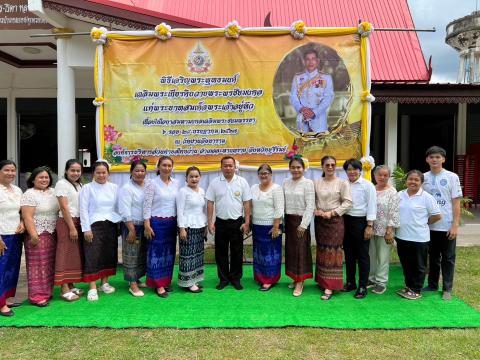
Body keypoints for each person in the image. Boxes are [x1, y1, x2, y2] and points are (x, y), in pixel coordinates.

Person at [422, 146, 463, 301]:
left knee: (448, 257)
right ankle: (432, 285)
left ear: (443, 159)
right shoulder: (423, 177)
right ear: (427, 159)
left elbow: (456, 203)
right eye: (431, 157)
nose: (434, 159)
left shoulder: (452, 177)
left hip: (446, 225)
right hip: (428, 225)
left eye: (438, 157)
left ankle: (447, 288)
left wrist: (455, 225)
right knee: (432, 257)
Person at [206, 156, 252, 291]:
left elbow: (246, 203)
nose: (228, 168)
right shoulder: (215, 182)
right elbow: (210, 202)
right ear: (221, 167)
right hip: (220, 222)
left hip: (237, 223)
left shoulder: (242, 182)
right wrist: (210, 222)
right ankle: (223, 279)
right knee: (221, 252)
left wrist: (247, 222)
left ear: (234, 167)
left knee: (237, 251)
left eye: (230, 165)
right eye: (225, 165)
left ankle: (235, 279)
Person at [79, 160, 122, 301]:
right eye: (98, 172)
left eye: (104, 172)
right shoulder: (87, 188)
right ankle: (92, 287)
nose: (101, 175)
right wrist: (86, 229)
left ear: (108, 174)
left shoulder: (114, 187)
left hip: (110, 224)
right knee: (92, 255)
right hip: (93, 225)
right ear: (93, 174)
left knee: (108, 253)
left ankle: (104, 283)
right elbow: (83, 209)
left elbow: (117, 207)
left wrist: (119, 223)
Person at [396, 170, 441, 300]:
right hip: (402, 236)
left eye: (416, 180)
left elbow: (437, 215)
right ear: (406, 181)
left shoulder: (426, 197)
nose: (413, 182)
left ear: (421, 182)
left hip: (419, 238)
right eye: (410, 179)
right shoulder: (400, 195)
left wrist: (425, 222)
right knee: (406, 263)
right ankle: (409, 286)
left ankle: (416, 289)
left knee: (419, 265)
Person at [314, 156, 352, 300]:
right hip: (320, 222)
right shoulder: (316, 182)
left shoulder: (342, 183)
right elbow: (313, 200)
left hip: (335, 221)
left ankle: (330, 285)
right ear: (322, 166)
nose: (330, 167)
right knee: (322, 249)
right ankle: (322, 281)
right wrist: (316, 210)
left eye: (332, 165)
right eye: (327, 165)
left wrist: (332, 213)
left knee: (333, 251)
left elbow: (348, 202)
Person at [21, 166, 59, 306]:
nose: (44, 180)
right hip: (37, 234)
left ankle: (48, 292)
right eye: (40, 177)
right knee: (37, 266)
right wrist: (33, 235)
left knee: (49, 265)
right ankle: (37, 296)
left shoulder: (54, 192)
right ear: (33, 180)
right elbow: (27, 217)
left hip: (52, 233)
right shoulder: (29, 194)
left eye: (46, 177)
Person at [144, 156, 180, 298]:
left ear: (172, 167)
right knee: (156, 254)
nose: (166, 168)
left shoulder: (176, 183)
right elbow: (146, 204)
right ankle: (158, 285)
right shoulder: (151, 183)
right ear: (158, 167)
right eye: (163, 165)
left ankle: (165, 282)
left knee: (169, 253)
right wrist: (147, 224)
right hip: (156, 223)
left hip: (171, 222)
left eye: (169, 165)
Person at [342, 158, 377, 299]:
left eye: (354, 169)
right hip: (346, 221)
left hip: (361, 222)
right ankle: (351, 282)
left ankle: (363, 285)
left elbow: (372, 206)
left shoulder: (368, 185)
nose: (352, 172)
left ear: (360, 170)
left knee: (362, 255)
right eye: (349, 169)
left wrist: (369, 226)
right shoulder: (343, 184)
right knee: (349, 254)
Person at [283, 157, 315, 297]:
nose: (296, 170)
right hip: (289, 221)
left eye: (298, 167)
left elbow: (310, 205)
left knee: (301, 251)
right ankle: (295, 278)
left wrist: (304, 225)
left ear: (303, 168)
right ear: (289, 168)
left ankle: (300, 282)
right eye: (293, 167)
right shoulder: (285, 182)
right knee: (291, 251)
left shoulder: (308, 183)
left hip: (301, 221)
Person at [54, 159, 85, 302]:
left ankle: (71, 284)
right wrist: (72, 227)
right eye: (72, 170)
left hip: (77, 221)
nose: (75, 173)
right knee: (64, 254)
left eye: (78, 170)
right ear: (66, 171)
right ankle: (64, 288)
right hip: (67, 222)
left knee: (74, 255)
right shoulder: (61, 184)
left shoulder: (79, 185)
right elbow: (64, 207)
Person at [251, 164, 284, 291]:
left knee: (270, 254)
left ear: (271, 174)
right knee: (259, 253)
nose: (263, 175)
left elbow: (279, 209)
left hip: (272, 226)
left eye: (266, 173)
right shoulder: (254, 188)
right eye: (261, 173)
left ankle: (269, 280)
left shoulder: (277, 188)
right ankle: (260, 277)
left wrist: (276, 227)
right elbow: (250, 205)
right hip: (257, 226)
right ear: (258, 175)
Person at [368, 165, 400, 295]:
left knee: (383, 256)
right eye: (379, 175)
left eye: (385, 175)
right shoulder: (371, 189)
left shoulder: (392, 192)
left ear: (389, 176)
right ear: (374, 176)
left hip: (385, 229)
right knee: (371, 255)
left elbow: (394, 212)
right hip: (370, 228)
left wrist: (389, 230)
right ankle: (371, 279)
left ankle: (381, 282)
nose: (382, 177)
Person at [118, 160, 148, 297]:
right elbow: (124, 211)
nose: (140, 173)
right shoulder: (127, 188)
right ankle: (132, 284)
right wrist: (131, 229)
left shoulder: (147, 186)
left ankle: (137, 278)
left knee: (141, 253)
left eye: (142, 171)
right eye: (137, 170)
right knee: (131, 254)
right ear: (131, 172)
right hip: (131, 225)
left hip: (145, 225)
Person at [176, 166, 207, 293]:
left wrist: (205, 226)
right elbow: (180, 211)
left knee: (197, 255)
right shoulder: (183, 191)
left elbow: (202, 210)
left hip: (199, 226)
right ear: (186, 178)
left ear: (200, 177)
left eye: (196, 176)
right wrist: (182, 228)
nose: (194, 179)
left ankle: (194, 279)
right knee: (188, 255)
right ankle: (187, 282)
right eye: (191, 176)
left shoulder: (202, 191)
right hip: (187, 227)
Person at [0, 160, 24, 317]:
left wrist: (22, 222)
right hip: (2, 235)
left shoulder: (17, 190)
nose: (10, 173)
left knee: (12, 268)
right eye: (6, 170)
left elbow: (22, 211)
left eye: (13, 170)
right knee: (1, 269)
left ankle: (6, 298)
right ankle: (1, 305)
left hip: (15, 234)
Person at [290, 49, 334, 134]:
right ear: (304, 62)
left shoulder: (326, 78)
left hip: (319, 121)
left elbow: (328, 98)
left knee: (319, 146)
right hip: (302, 121)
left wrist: (314, 112)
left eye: (313, 59)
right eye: (308, 59)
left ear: (317, 61)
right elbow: (293, 97)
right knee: (302, 146)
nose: (310, 62)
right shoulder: (297, 78)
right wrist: (301, 109)